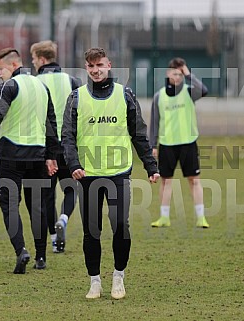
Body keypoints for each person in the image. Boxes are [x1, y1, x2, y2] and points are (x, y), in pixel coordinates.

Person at [61, 47, 159, 299]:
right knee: (91, 230)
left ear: (109, 65)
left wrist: (151, 165)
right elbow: (68, 137)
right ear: (86, 68)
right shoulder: (76, 97)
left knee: (120, 225)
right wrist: (73, 165)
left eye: (100, 65)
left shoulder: (125, 94)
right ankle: (94, 281)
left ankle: (118, 277)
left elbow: (139, 133)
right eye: (91, 66)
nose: (96, 70)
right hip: (87, 174)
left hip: (118, 172)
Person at [0, 48, 58, 273]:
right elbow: (51, 123)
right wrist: (51, 155)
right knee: (37, 207)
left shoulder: (10, 87)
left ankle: (21, 251)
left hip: (11, 156)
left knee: (9, 206)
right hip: (37, 155)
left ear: (14, 65)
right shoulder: (42, 86)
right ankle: (41, 257)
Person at [30, 40, 81, 253]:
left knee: (47, 195)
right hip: (69, 145)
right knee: (70, 189)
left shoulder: (33, 83)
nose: (32, 63)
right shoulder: (71, 80)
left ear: (41, 59)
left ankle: (54, 241)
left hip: (45, 148)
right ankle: (64, 218)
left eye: (33, 59)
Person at [149, 57, 209, 228]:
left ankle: (200, 217)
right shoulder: (159, 96)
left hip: (188, 143)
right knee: (166, 181)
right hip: (167, 144)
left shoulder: (189, 92)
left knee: (194, 180)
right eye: (175, 73)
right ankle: (164, 217)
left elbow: (204, 90)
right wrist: (153, 145)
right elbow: (154, 123)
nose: (177, 77)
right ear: (168, 74)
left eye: (180, 74)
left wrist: (188, 73)